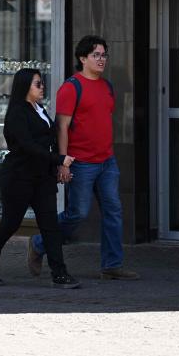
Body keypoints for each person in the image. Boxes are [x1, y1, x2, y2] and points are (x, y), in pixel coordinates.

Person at [28, 35, 139, 280]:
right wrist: (63, 162)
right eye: (95, 55)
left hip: (107, 161)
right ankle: (39, 243)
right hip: (81, 162)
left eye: (104, 55)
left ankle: (112, 265)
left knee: (113, 211)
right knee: (77, 213)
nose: (101, 59)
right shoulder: (71, 87)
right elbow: (62, 128)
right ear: (82, 59)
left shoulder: (107, 86)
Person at [0, 68, 80, 289]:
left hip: (43, 177)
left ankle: (59, 273)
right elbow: (27, 146)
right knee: (10, 224)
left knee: (50, 226)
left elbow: (47, 139)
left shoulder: (39, 109)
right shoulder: (17, 112)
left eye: (42, 83)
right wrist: (58, 158)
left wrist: (58, 164)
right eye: (37, 84)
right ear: (24, 86)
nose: (42, 87)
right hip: (19, 177)